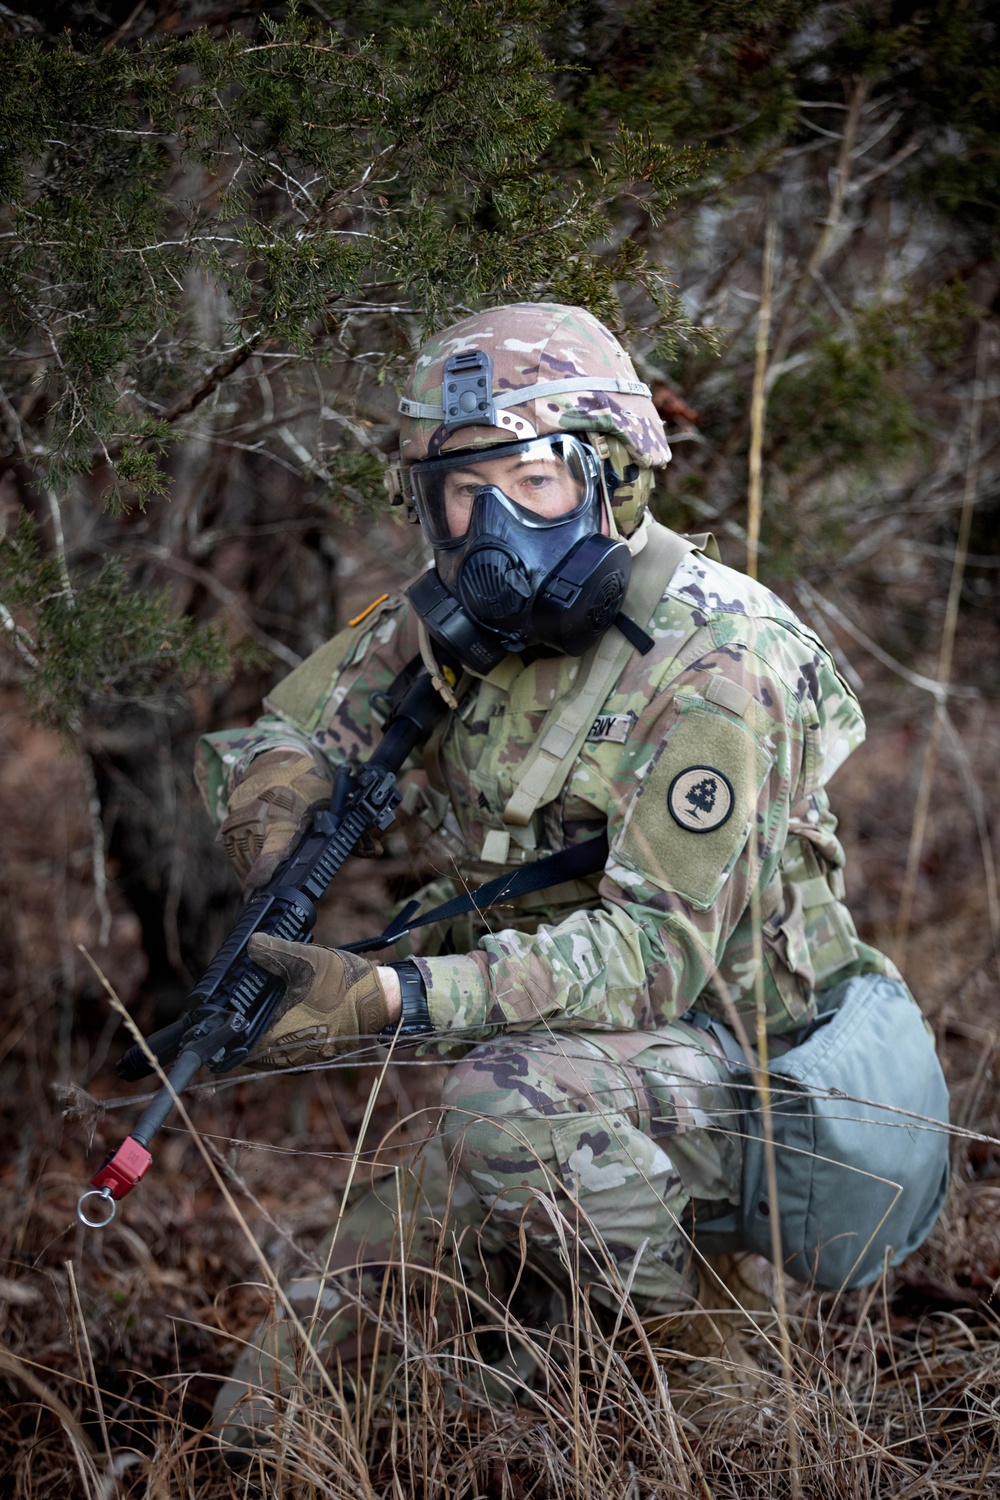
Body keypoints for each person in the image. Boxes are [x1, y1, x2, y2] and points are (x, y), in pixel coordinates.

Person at [196, 302, 912, 1466]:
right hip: (563, 1057)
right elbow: (291, 729)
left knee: (505, 1101)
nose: (487, 529)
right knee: (272, 1417)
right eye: (456, 496)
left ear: (608, 474)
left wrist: (390, 997)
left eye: (525, 481)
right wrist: (275, 802)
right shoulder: (460, 620)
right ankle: (533, 1312)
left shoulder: (719, 656)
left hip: (761, 1070)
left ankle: (703, 1383)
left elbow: (651, 961)